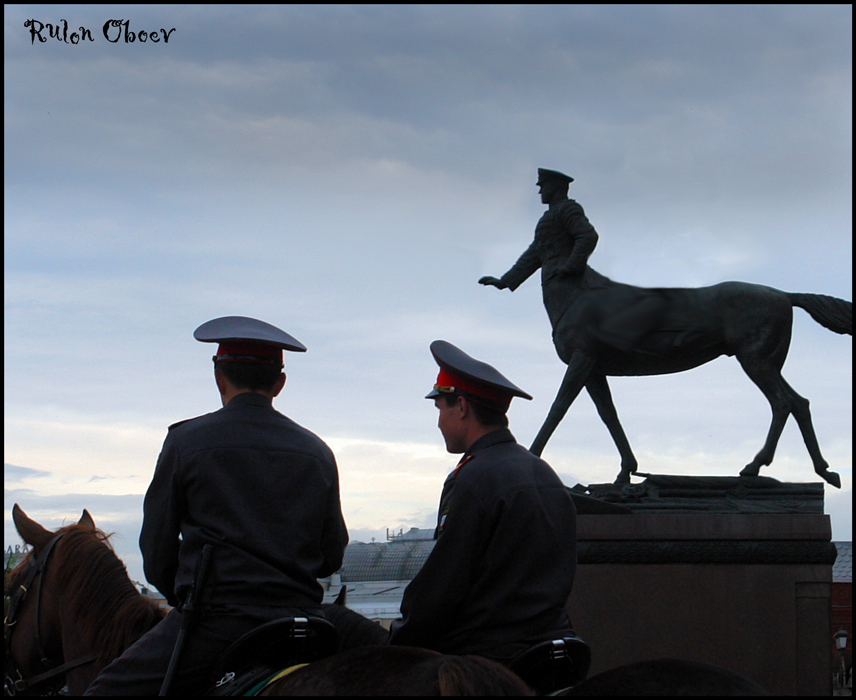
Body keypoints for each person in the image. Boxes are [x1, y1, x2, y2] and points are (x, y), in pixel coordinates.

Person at [85, 316, 348, 695]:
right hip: (304, 626)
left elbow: (156, 551)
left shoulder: (185, 443)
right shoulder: (318, 452)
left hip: (216, 626)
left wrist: (186, 597)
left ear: (218, 378)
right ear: (280, 383)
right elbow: (331, 555)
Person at [388, 340, 577, 663]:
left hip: (489, 658)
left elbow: (443, 585)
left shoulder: (474, 478)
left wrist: (397, 640)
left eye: (441, 409)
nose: (439, 422)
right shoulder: (546, 475)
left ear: (461, 407)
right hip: (553, 649)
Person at [479, 168, 669, 355]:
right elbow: (535, 253)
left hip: (571, 282)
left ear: (555, 187)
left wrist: (571, 266)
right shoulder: (548, 217)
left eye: (543, 186)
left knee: (579, 339)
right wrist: (505, 281)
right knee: (568, 336)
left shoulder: (568, 208)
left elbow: (587, 236)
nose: (540, 191)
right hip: (554, 286)